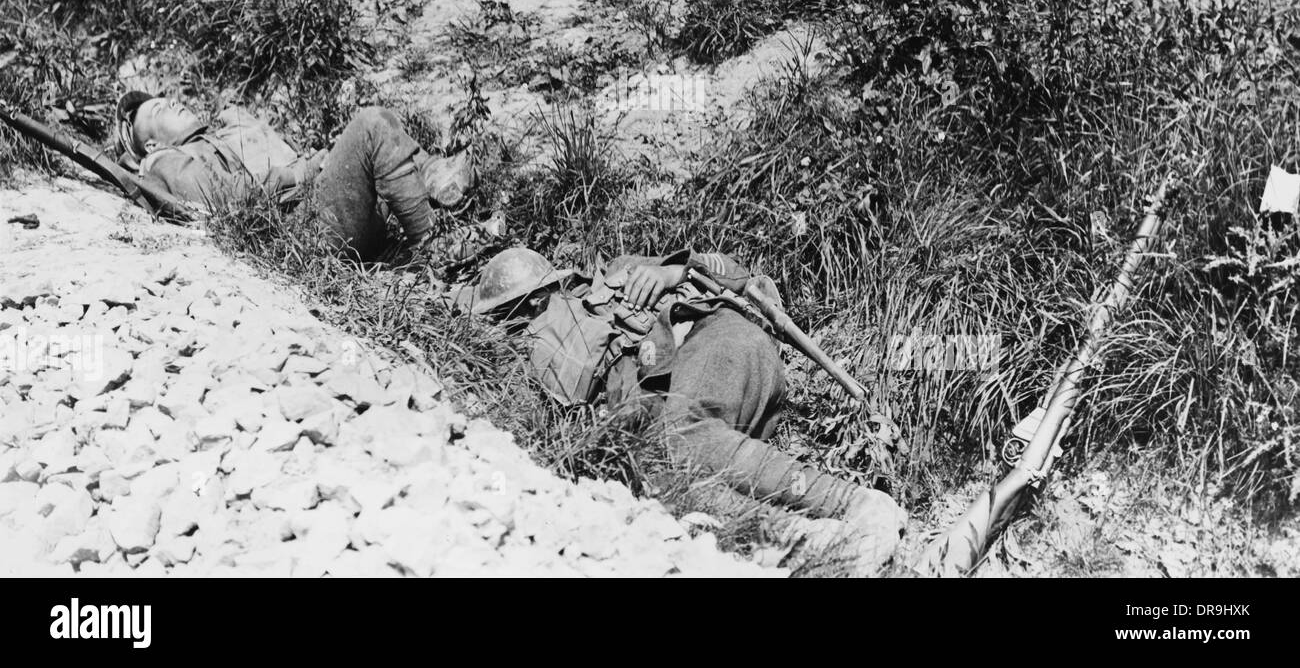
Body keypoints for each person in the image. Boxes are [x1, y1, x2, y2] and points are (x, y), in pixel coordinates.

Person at [460, 246, 907, 573]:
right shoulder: (535, 362)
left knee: (681, 433)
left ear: (551, 285)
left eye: (530, 303)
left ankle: (856, 504)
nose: (527, 317)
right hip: (683, 405)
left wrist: (674, 272)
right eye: (512, 315)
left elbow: (739, 275)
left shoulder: (617, 274)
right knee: (666, 480)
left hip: (720, 340)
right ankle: (808, 539)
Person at [115, 91, 475, 262]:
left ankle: (434, 180)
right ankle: (435, 249)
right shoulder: (168, 162)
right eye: (159, 109)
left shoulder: (224, 132)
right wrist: (302, 172)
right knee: (370, 125)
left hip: (319, 213)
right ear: (149, 145)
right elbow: (223, 201)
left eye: (167, 98)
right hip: (306, 233)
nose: (173, 102)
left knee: (371, 142)